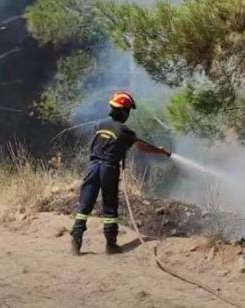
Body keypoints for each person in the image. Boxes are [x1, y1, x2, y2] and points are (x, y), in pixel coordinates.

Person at [70, 90, 170, 255]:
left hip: (93, 166)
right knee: (110, 206)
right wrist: (161, 151)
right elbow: (141, 147)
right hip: (108, 168)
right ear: (124, 112)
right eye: (128, 111)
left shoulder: (99, 125)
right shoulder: (125, 131)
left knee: (85, 202)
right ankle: (111, 245)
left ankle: (76, 239)